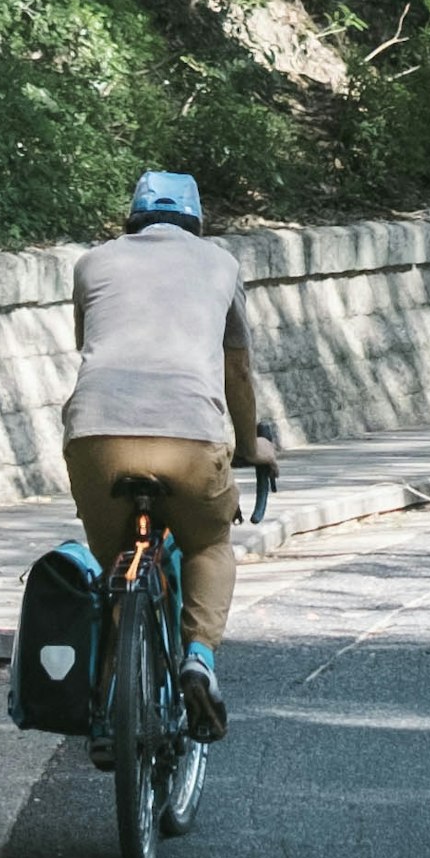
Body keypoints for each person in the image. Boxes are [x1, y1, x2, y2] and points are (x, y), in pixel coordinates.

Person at [58, 170, 275, 734]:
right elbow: (238, 369)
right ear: (198, 222)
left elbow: (89, 341)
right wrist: (252, 447)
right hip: (189, 435)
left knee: (114, 570)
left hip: (96, 432)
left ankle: (110, 711)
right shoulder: (221, 265)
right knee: (208, 543)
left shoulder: (93, 262)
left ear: (130, 218)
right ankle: (199, 658)